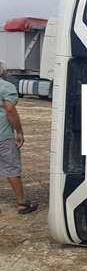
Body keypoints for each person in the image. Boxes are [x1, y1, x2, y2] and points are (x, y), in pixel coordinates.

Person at [0, 62, 37, 214]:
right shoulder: (6, 86)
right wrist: (19, 131)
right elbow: (9, 109)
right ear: (2, 72)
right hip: (3, 135)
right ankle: (22, 203)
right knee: (11, 168)